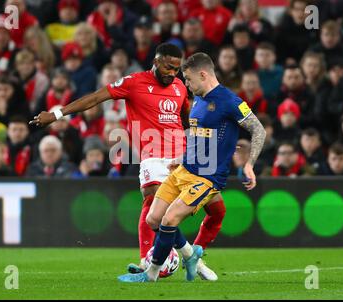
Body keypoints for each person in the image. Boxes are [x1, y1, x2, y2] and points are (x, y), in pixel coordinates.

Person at [30, 43, 227, 281]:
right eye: (168, 67)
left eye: (176, 69)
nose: (172, 73)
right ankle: (152, 259)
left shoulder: (179, 87)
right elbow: (94, 98)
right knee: (153, 203)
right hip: (153, 156)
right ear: (155, 62)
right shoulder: (133, 82)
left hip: (184, 156)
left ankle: (195, 254)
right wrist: (56, 115)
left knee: (217, 210)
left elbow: (188, 121)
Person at [117, 52, 266, 282]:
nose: (185, 83)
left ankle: (151, 274)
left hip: (206, 177)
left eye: (188, 79)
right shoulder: (198, 100)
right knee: (153, 219)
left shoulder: (230, 101)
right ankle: (191, 255)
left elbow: (258, 130)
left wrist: (249, 164)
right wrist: (184, 157)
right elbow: (199, 135)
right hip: (183, 169)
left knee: (169, 220)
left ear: (203, 74)